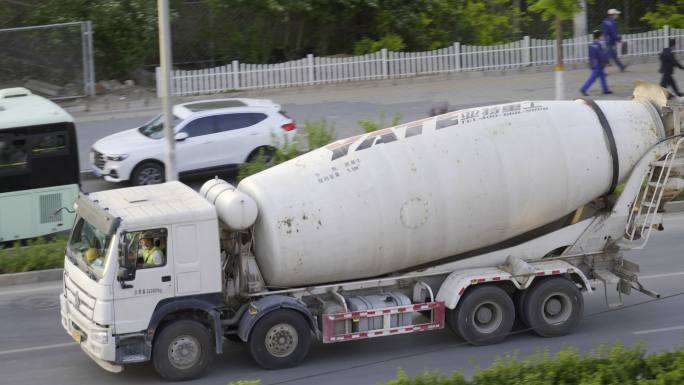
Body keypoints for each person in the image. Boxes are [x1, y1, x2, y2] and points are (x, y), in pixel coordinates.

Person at [580, 30, 612, 96]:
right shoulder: (598, 45)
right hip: (598, 65)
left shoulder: (592, 45)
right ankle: (583, 89)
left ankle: (605, 90)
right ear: (599, 37)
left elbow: (591, 56)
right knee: (592, 78)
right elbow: (601, 55)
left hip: (595, 64)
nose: (603, 37)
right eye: (602, 36)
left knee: (602, 77)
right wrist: (607, 61)